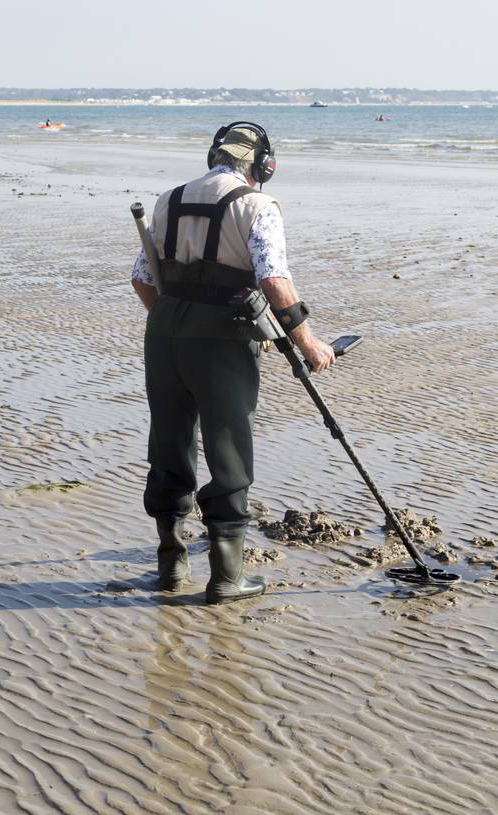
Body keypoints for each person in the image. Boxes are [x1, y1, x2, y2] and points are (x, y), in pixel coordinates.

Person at [130, 122, 335, 605]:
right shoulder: (258, 206)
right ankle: (225, 578)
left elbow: (142, 278)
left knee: (169, 442)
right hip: (222, 342)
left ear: (213, 157)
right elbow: (274, 280)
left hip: (163, 335)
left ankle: (170, 566)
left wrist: (174, 318)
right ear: (263, 166)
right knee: (228, 451)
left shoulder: (168, 200)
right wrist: (307, 342)